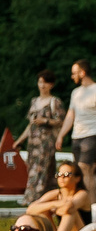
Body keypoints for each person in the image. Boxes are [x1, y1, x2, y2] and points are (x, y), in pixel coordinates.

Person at [63, 58, 96, 195]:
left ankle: (91, 205)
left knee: (85, 168)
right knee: (78, 171)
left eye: (74, 73)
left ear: (82, 73)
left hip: (92, 135)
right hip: (76, 136)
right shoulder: (75, 93)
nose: (72, 76)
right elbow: (70, 116)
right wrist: (61, 135)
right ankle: (84, 203)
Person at [21, 71, 63, 206]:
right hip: (33, 142)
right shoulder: (34, 101)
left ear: (51, 84)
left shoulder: (54, 101)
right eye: (40, 82)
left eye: (45, 82)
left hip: (46, 142)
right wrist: (19, 141)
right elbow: (30, 125)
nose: (42, 85)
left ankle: (32, 198)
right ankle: (50, 195)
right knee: (39, 169)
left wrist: (45, 120)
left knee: (40, 170)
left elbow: (61, 121)